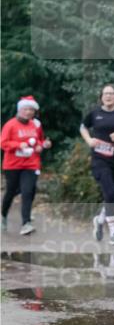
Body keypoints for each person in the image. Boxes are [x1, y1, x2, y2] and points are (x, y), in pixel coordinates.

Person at [80, 84, 114, 245]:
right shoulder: (95, 113)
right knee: (109, 193)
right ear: (101, 97)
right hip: (99, 159)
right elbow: (83, 127)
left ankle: (100, 220)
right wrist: (89, 140)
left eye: (111, 94)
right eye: (105, 94)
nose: (108, 96)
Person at [1, 96, 52, 235]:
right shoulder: (10, 125)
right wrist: (18, 145)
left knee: (28, 191)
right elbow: (3, 143)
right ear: (19, 110)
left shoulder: (35, 125)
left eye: (31, 109)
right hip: (13, 164)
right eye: (26, 109)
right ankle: (3, 216)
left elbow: (39, 141)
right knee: (11, 191)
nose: (28, 112)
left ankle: (26, 223)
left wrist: (42, 145)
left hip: (31, 164)